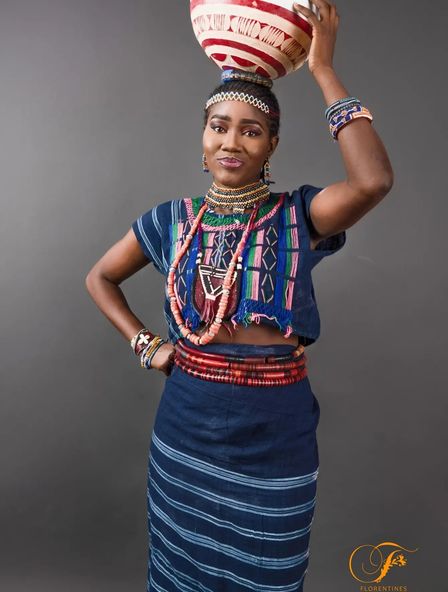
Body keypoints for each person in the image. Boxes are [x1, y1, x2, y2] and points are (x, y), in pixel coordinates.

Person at [85, 1, 393, 589]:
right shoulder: (172, 220)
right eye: (218, 126)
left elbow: (372, 181)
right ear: (202, 137)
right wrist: (146, 345)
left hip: (275, 427)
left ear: (271, 144)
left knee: (268, 568)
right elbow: (99, 278)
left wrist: (324, 70)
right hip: (186, 424)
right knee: (181, 569)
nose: (231, 141)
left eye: (250, 130)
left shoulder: (299, 215)